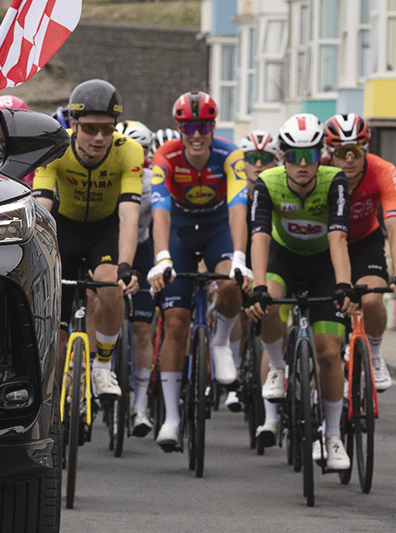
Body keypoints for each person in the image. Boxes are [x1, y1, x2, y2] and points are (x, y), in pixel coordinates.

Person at [245, 113, 356, 471]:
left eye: (310, 156)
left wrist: (343, 284)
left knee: (328, 353)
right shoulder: (268, 183)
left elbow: (338, 236)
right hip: (284, 259)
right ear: (283, 158)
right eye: (295, 156)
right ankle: (277, 367)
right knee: (270, 302)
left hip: (324, 264)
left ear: (321, 155)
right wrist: (259, 287)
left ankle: (334, 435)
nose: (303, 165)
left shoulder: (334, 180)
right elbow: (259, 236)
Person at [147, 91, 251, 450]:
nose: (196, 134)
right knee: (175, 321)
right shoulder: (166, 156)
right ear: (179, 127)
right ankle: (172, 418)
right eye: (189, 126)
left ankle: (220, 341)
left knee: (230, 282)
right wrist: (162, 257)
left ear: (213, 127)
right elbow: (159, 210)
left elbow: (239, 204)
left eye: (203, 126)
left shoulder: (229, 154)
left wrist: (239, 256)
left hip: (217, 227)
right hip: (178, 231)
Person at [32, 80, 141, 402]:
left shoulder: (128, 151)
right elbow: (42, 208)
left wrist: (126, 267)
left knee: (110, 287)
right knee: (58, 330)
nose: (99, 138)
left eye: (108, 129)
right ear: (74, 125)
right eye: (91, 128)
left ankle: (103, 366)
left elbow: (129, 214)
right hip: (63, 228)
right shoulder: (55, 148)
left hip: (103, 230)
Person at [323, 113, 396, 392]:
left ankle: (374, 354)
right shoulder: (318, 172)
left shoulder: (383, 170)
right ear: (329, 153)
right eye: (341, 151)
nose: (349, 158)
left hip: (365, 240)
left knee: (373, 300)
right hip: (324, 245)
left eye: (356, 150)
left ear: (366, 149)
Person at [230, 131, 280, 432]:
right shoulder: (236, 193)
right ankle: (236, 372)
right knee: (235, 302)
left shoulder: (277, 190)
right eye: (252, 159)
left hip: (271, 260)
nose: (258, 165)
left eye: (266, 159)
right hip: (240, 257)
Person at [115, 120, 158, 437]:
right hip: (109, 249)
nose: (136, 155)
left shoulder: (153, 181)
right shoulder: (109, 173)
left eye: (142, 150)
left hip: (143, 249)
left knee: (143, 328)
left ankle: (140, 406)